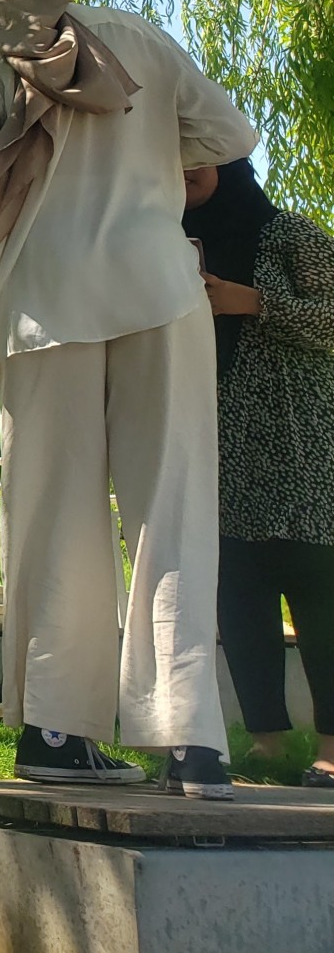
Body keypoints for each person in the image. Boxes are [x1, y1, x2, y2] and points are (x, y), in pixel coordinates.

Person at [0, 0, 257, 797]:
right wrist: (169, 160)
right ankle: (193, 741)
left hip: (42, 296)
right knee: (173, 504)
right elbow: (231, 135)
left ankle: (54, 728)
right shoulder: (141, 36)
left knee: (53, 514)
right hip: (157, 285)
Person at [185, 158, 334, 787]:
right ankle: (268, 740)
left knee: (320, 598)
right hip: (219, 449)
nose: (185, 168)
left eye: (200, 159)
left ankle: (329, 747)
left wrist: (255, 303)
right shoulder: (171, 243)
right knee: (239, 598)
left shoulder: (291, 235)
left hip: (302, 454)